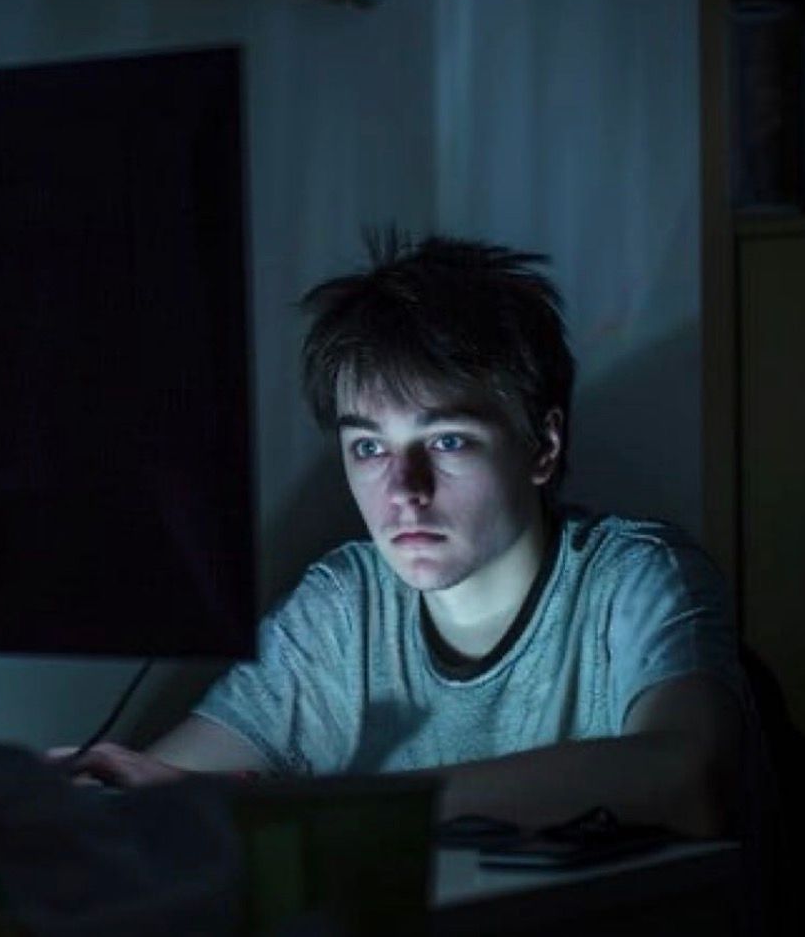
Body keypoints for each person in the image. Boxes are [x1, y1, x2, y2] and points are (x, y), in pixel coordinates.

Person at [64, 232, 754, 841]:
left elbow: (689, 774)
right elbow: (163, 785)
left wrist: (338, 807)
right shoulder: (344, 606)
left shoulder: (634, 577)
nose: (403, 489)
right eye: (368, 448)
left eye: (447, 440)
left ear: (541, 446)